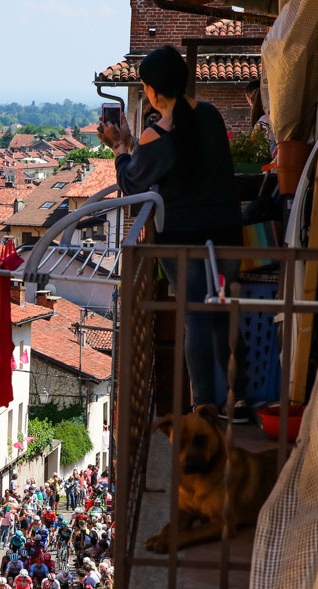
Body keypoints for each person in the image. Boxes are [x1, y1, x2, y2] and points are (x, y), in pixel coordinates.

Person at [99, 45, 249, 419]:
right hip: (227, 234)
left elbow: (133, 185)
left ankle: (203, 405)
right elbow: (182, 159)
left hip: (182, 241)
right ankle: (241, 398)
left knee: (194, 316)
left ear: (152, 91)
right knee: (223, 312)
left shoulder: (156, 136)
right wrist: (136, 144)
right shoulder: (211, 116)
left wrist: (120, 147)